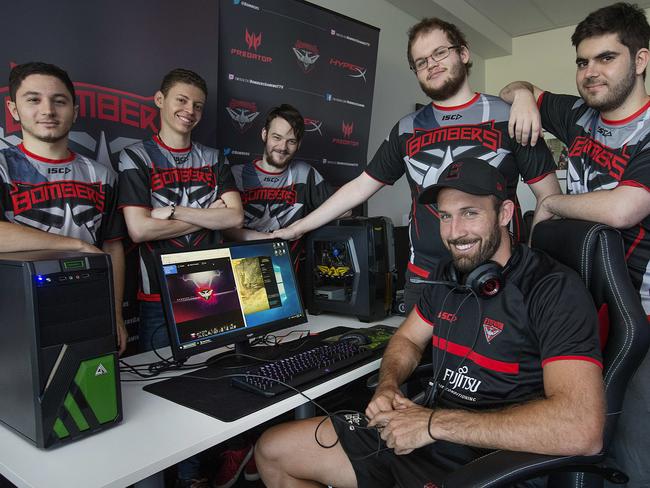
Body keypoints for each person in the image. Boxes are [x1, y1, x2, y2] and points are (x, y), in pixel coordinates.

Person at [254, 158, 605, 488]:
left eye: (470, 213)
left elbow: (581, 429)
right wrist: (388, 386)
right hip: (419, 430)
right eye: (445, 216)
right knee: (273, 451)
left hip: (490, 459)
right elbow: (407, 340)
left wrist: (435, 424)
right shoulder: (449, 275)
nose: (455, 232)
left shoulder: (553, 289)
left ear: (505, 213)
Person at [272, 17, 561, 313]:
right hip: (425, 282)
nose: (431, 64)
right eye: (420, 62)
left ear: (463, 53)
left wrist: (531, 266)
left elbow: (551, 201)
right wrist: (298, 228)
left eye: (439, 53)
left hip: (496, 278)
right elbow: (360, 186)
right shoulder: (406, 129)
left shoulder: (509, 115)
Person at [499, 4, 650, 485]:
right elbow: (512, 87)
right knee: (559, 439)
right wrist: (523, 98)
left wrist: (554, 203)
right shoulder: (579, 114)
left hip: (638, 315)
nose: (591, 73)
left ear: (641, 60)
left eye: (606, 58)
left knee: (628, 456)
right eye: (583, 62)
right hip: (576, 305)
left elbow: (625, 208)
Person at [117, 68, 243, 488]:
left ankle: (192, 479)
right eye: (182, 101)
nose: (189, 111)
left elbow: (235, 217)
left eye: (197, 105)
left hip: (213, 292)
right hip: (157, 302)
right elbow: (137, 230)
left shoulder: (214, 158)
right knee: (159, 401)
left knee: (208, 393)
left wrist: (171, 213)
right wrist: (206, 215)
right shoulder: (135, 157)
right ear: (160, 100)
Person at [0, 62, 127, 354]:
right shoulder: (3, 167)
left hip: (86, 309)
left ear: (75, 110)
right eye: (34, 100)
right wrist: (75, 246)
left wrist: (116, 314)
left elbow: (113, 247)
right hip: (16, 316)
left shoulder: (101, 175)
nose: (47, 110)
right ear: (13, 109)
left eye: (59, 101)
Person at [226, 103, 340, 272]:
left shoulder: (305, 174)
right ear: (264, 134)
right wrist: (267, 238)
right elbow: (223, 228)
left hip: (289, 272)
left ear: (299, 144)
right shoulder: (236, 174)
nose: (282, 147)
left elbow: (344, 210)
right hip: (242, 268)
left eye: (291, 141)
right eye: (277, 137)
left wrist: (299, 227)